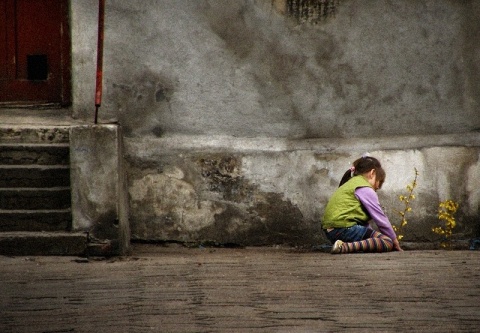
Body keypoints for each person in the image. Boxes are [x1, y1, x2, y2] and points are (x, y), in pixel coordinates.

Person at [322, 156, 403, 254]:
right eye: (378, 182)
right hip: (345, 229)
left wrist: (371, 235)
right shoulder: (365, 188)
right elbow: (381, 219)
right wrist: (394, 240)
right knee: (387, 242)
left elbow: (363, 225)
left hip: (331, 231)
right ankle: (345, 247)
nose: (377, 187)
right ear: (372, 173)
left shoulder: (349, 184)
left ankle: (339, 246)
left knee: (371, 240)